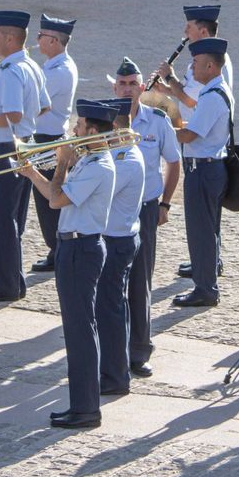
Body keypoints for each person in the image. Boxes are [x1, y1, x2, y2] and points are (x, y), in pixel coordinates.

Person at [19, 100, 118, 430]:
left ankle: (87, 408)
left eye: (78, 126)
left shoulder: (99, 166)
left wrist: (60, 163)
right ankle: (81, 404)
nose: (72, 131)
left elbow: (57, 199)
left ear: (91, 131)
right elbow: (52, 195)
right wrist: (33, 172)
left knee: (80, 332)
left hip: (82, 249)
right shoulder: (89, 159)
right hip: (71, 247)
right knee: (76, 331)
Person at [150, 3, 233, 279]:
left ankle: (206, 277)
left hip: (204, 157)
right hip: (203, 152)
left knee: (203, 226)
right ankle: (205, 265)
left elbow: (193, 103)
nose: (185, 31)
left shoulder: (213, 73)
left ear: (203, 30)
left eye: (189, 27)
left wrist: (160, 133)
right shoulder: (207, 62)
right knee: (204, 226)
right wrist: (167, 90)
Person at [111, 58, 180, 377]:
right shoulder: (104, 121)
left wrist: (165, 204)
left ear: (142, 88)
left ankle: (138, 350)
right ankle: (111, 348)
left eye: (132, 85)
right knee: (110, 281)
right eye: (121, 84)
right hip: (111, 210)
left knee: (141, 281)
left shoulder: (157, 120)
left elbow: (173, 162)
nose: (126, 90)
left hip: (145, 208)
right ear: (114, 87)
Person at [0, 9, 43, 302]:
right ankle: (13, 281)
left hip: (5, 149)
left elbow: (13, 112)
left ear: (8, 38)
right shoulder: (30, 65)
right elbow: (42, 106)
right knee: (12, 219)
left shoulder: (9, 71)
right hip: (23, 144)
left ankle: (4, 283)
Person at [172, 37, 231, 308]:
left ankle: (205, 288)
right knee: (207, 230)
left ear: (210, 65)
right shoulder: (215, 91)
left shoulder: (211, 97)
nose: (192, 68)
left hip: (203, 170)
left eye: (196, 63)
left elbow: (188, 135)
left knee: (201, 232)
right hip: (209, 167)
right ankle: (206, 281)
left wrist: (163, 129)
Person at [94, 98, 144, 398]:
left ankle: (115, 376)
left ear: (114, 127)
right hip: (115, 239)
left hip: (116, 242)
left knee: (110, 311)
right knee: (112, 308)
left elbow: (98, 193)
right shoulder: (117, 154)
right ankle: (114, 369)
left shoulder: (126, 159)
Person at [30, 15, 79, 272]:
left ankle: (58, 249)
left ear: (54, 41)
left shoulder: (59, 71)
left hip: (48, 141)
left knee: (49, 200)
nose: (36, 40)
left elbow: (33, 103)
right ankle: (55, 249)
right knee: (44, 201)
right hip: (44, 139)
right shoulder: (53, 66)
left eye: (41, 37)